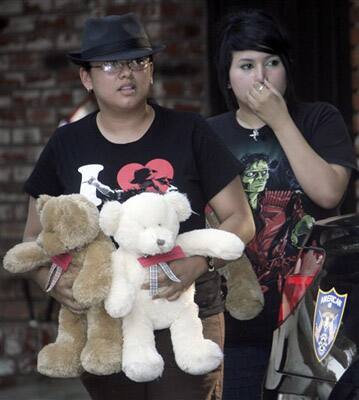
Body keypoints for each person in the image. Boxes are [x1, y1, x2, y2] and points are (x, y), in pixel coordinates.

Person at [22, 13, 255, 400]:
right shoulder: (66, 146)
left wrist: (200, 263)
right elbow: (31, 239)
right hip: (106, 320)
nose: (126, 73)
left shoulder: (190, 132)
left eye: (137, 61)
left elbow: (240, 219)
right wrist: (50, 281)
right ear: (87, 78)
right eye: (110, 64)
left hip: (185, 308)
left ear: (150, 72)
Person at [207, 9, 357, 400]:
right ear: (227, 76)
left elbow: (328, 193)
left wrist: (280, 120)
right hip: (237, 318)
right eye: (247, 65)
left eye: (271, 62)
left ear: (286, 69)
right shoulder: (209, 134)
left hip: (314, 315)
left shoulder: (319, 119)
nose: (261, 76)